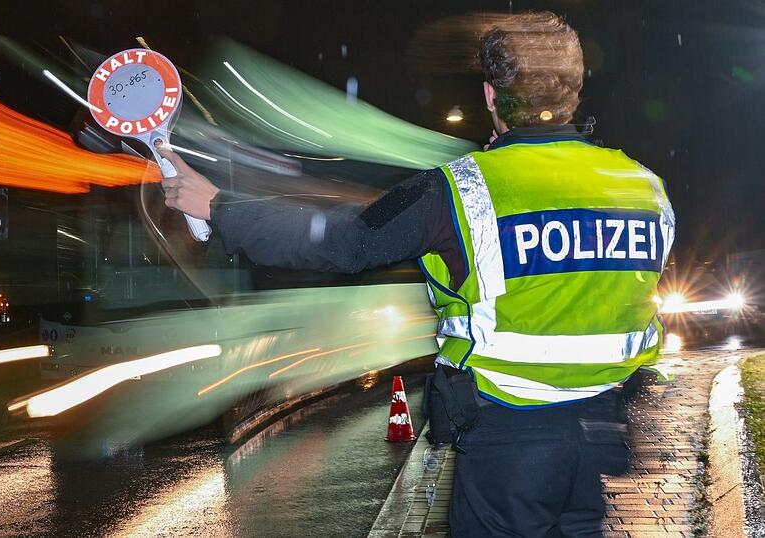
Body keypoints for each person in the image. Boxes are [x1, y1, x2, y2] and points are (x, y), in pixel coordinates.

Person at [158, 11, 675, 537]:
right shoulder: (643, 187)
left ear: (491, 97)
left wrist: (219, 207)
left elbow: (341, 243)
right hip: (602, 433)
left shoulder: (462, 190)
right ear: (575, 90)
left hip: (509, 439)